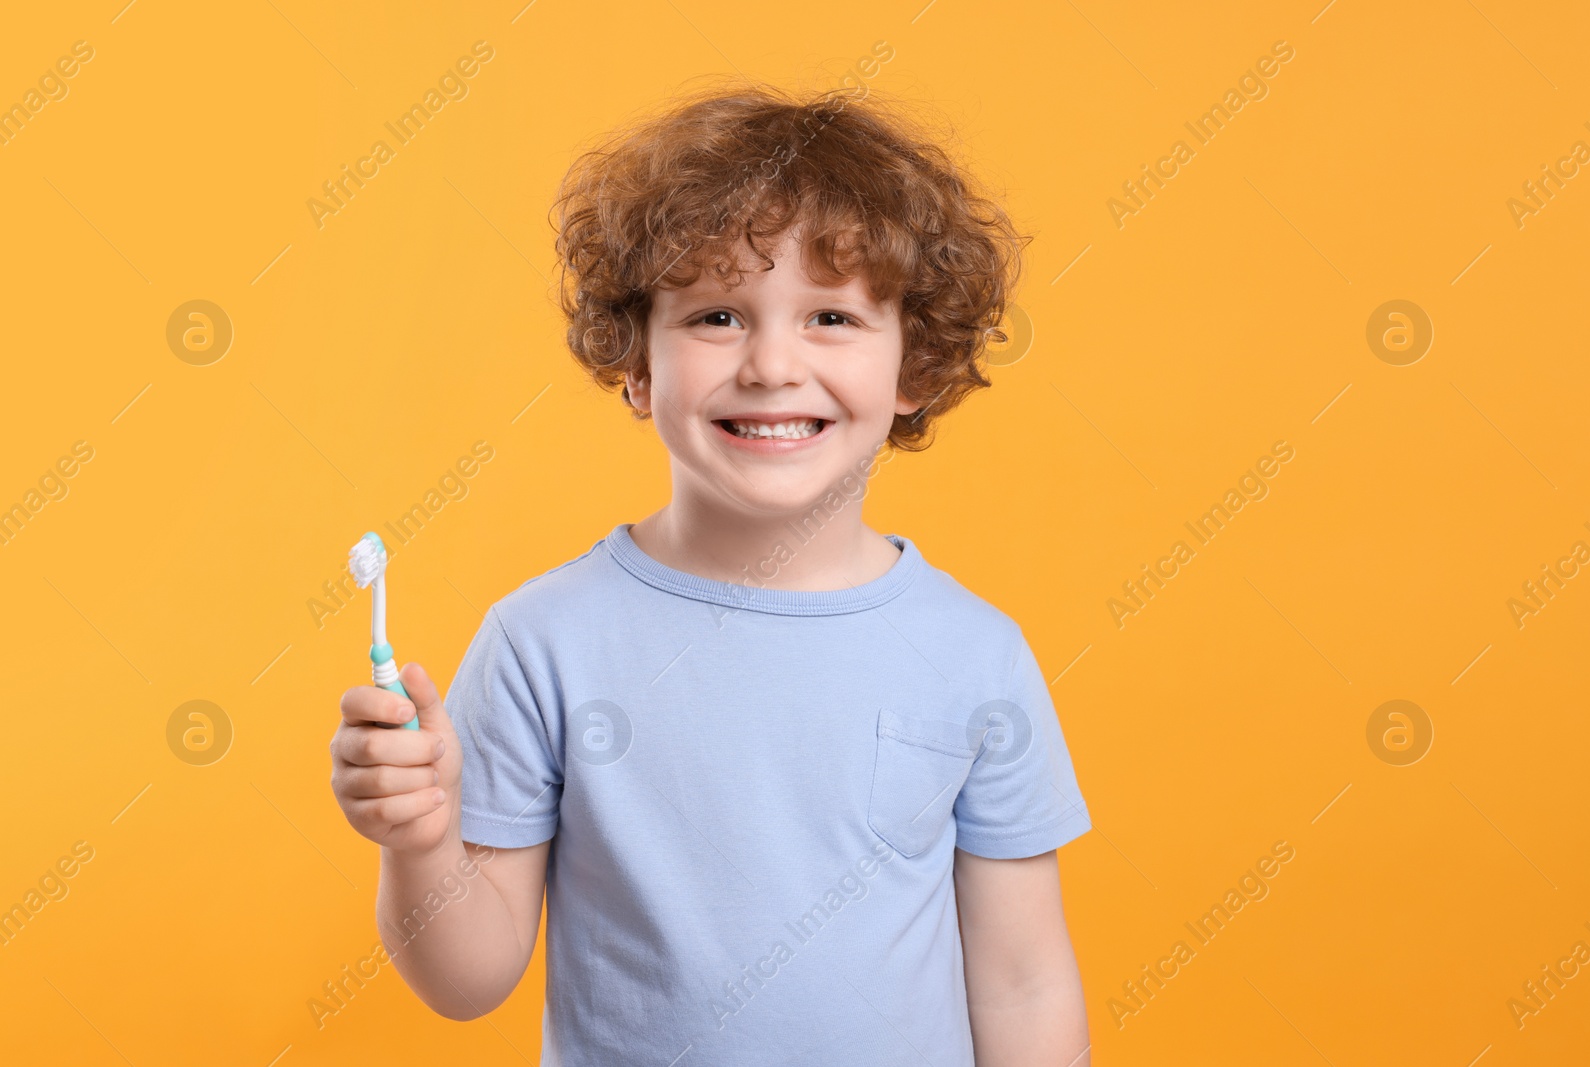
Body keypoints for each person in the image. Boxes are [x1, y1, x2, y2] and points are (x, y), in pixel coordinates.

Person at [331, 79, 1094, 1066]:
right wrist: (420, 836)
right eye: (717, 317)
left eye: (830, 318)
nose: (773, 364)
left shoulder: (974, 653)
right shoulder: (540, 642)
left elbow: (1025, 982)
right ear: (636, 366)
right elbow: (467, 980)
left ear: (915, 366)